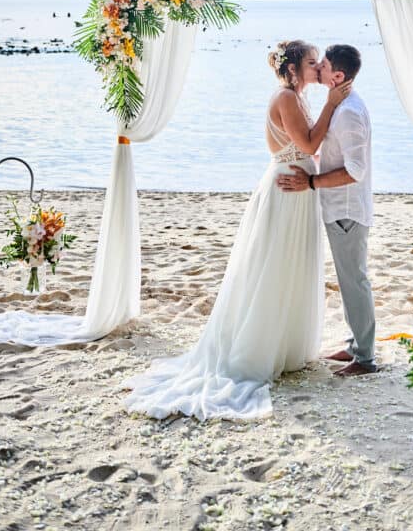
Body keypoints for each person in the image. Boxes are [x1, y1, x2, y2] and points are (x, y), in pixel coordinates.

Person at [123, 39, 351, 421]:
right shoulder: (286, 99)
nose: (318, 67)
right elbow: (309, 143)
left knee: (291, 266)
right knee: (275, 266)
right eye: (312, 62)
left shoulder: (298, 97)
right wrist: (332, 105)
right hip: (286, 191)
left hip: (297, 189)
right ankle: (259, 347)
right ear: (293, 68)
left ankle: (285, 344)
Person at [278, 44, 376, 376]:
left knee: (354, 281)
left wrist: (312, 182)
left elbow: (356, 171)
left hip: (347, 208)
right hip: (339, 207)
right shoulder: (340, 104)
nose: (317, 66)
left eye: (323, 64)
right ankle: (355, 345)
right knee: (349, 280)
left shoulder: (348, 112)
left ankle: (365, 358)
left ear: (337, 76)